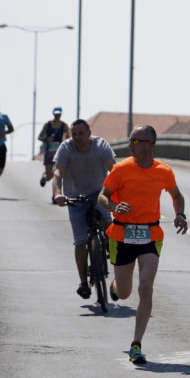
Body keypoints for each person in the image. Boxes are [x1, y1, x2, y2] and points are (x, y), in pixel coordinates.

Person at [98, 125, 188, 364]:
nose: (130, 145)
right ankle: (116, 286)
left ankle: (136, 344)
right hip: (122, 234)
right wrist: (114, 207)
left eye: (135, 141)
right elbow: (103, 195)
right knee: (125, 293)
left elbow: (177, 196)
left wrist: (180, 215)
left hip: (150, 234)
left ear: (149, 144)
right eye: (130, 141)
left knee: (146, 287)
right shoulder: (121, 169)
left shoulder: (164, 171)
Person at [51, 118, 116, 299]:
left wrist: (119, 191)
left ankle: (114, 262)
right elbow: (57, 173)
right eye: (74, 134)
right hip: (75, 197)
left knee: (109, 227)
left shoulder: (100, 145)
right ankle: (83, 282)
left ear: (89, 133)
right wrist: (57, 193)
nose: (78, 137)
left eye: (81, 133)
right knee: (80, 241)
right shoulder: (66, 147)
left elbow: (114, 169)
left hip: (99, 195)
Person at [38, 106, 69, 188]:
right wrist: (47, 139)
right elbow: (39, 137)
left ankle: (54, 195)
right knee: (49, 174)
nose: (57, 115)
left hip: (59, 152)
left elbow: (68, 138)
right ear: (53, 114)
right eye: (56, 114)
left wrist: (66, 136)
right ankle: (44, 177)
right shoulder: (48, 124)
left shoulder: (64, 125)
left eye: (59, 114)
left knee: (56, 173)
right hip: (49, 152)